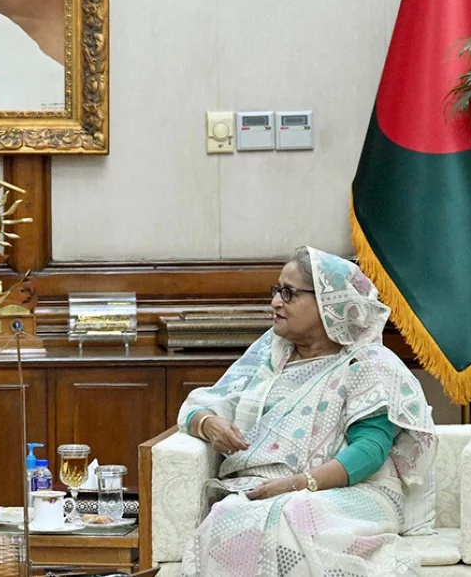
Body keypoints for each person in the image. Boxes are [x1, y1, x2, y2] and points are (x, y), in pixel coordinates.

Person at [177, 246, 436, 576]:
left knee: (294, 517)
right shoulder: (270, 353)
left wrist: (295, 485)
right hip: (262, 488)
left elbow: (370, 451)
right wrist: (208, 423)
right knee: (229, 518)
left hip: (349, 494)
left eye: (289, 293)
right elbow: (206, 402)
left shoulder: (366, 363)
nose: (275, 302)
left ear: (329, 302)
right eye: (276, 291)